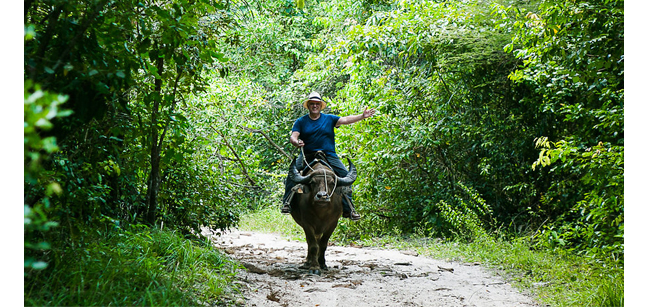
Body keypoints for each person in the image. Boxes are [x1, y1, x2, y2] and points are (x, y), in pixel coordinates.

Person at [281, 91, 376, 220]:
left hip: (329, 155)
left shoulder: (329, 119)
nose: (315, 106)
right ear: (308, 106)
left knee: (345, 175)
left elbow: (346, 119)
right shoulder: (301, 121)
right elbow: (294, 136)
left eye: (317, 104)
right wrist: (296, 142)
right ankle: (287, 203)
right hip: (307, 155)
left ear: (321, 106)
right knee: (292, 175)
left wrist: (362, 116)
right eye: (312, 104)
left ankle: (349, 209)